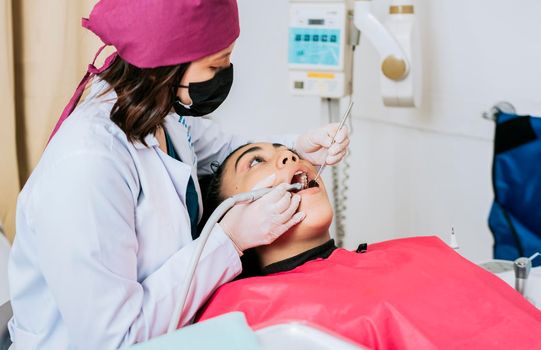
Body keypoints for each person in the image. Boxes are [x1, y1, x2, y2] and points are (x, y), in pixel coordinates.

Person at [7, 1, 350, 349]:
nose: (226, 72)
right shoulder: (87, 164)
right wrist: (229, 239)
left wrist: (299, 145)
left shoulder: (160, 113)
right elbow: (112, 339)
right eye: (217, 64)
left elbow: (223, 149)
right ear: (165, 63)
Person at [196, 142, 541, 349]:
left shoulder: (413, 250)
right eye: (255, 162)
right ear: (229, 214)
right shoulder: (239, 314)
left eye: (289, 152)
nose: (290, 157)